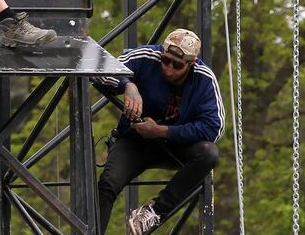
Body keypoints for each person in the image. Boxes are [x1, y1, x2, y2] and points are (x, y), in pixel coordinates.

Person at [96, 29, 224, 234]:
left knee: (209, 153)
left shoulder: (204, 79)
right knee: (107, 183)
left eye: (177, 65)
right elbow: (101, 70)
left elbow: (213, 127)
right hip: (134, 141)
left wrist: (162, 131)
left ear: (191, 64)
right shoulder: (147, 57)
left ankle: (155, 211)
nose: (169, 69)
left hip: (176, 145)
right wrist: (128, 85)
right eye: (165, 61)